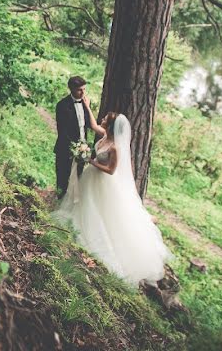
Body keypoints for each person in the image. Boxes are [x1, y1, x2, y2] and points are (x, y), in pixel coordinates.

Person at [54, 112, 172, 288]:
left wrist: (91, 161)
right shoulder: (103, 137)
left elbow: (110, 170)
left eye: (105, 120)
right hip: (90, 178)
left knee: (100, 209)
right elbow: (94, 125)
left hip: (102, 181)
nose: (102, 121)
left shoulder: (115, 147)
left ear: (110, 126)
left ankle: (96, 238)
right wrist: (86, 106)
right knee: (85, 204)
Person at [53, 76, 102, 199]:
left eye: (85, 89)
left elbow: (89, 125)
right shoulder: (62, 106)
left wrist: (83, 147)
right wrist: (74, 147)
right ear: (71, 89)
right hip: (66, 148)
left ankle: (74, 203)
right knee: (63, 177)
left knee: (79, 177)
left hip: (82, 148)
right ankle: (60, 201)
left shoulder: (85, 103)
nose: (83, 93)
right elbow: (62, 130)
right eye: (80, 90)